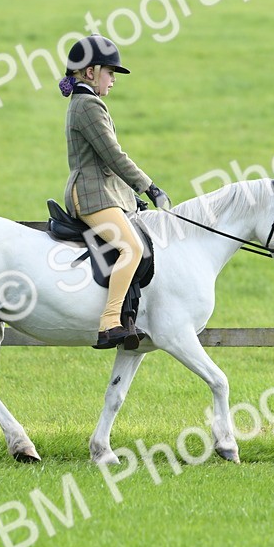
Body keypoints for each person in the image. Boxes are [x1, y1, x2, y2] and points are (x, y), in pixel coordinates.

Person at [59, 35, 172, 350]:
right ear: (91, 72)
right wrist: (149, 187)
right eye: (110, 72)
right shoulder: (87, 105)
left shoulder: (86, 102)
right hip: (91, 197)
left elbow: (105, 164)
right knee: (131, 249)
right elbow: (113, 155)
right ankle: (110, 321)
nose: (113, 80)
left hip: (103, 193)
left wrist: (130, 196)